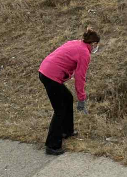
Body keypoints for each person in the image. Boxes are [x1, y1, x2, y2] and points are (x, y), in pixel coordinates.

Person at [38, 26, 100, 155]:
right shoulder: (85, 53)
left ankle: (67, 130)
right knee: (60, 110)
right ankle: (52, 145)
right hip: (51, 76)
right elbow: (80, 77)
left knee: (67, 98)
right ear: (93, 44)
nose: (95, 48)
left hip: (45, 70)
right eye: (96, 45)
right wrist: (82, 98)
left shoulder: (75, 42)